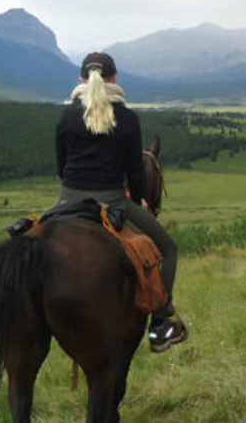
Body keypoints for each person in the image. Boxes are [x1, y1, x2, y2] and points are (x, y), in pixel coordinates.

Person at [55, 51, 187, 353]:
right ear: (114, 78)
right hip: (112, 199)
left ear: (81, 80)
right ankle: (160, 324)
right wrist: (138, 198)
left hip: (66, 199)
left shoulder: (66, 116)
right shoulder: (127, 118)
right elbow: (134, 172)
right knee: (168, 249)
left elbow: (61, 168)